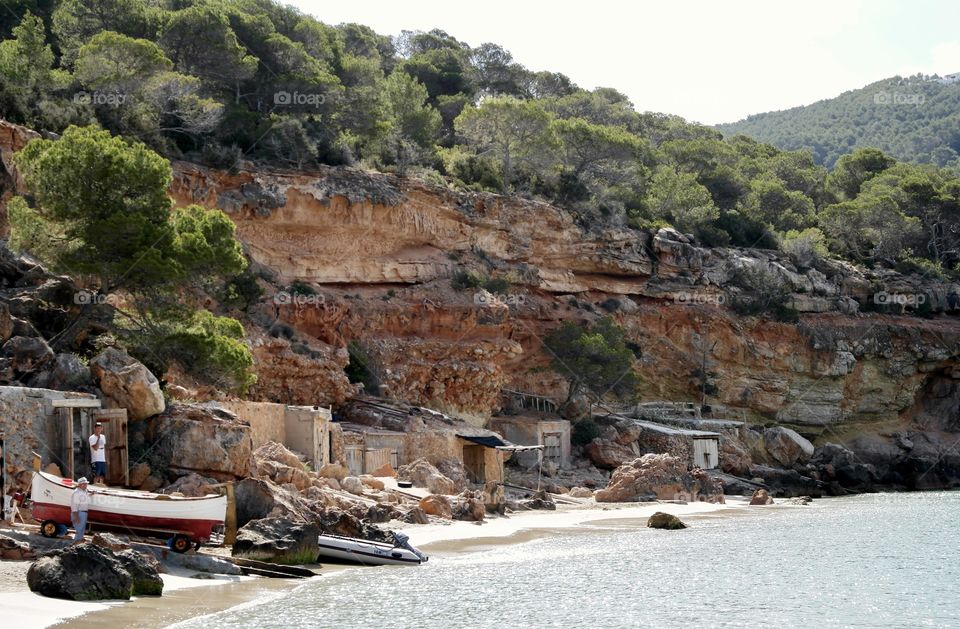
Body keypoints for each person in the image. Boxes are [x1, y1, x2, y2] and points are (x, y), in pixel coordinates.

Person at [70, 477, 90, 543]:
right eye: (84, 484)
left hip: (83, 513)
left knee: (81, 530)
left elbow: (85, 496)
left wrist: (91, 493)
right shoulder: (76, 493)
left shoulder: (84, 491)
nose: (85, 485)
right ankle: (75, 544)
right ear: (79, 485)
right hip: (79, 513)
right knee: (79, 530)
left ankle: (78, 544)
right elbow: (74, 506)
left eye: (86, 484)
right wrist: (76, 517)